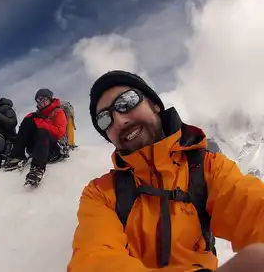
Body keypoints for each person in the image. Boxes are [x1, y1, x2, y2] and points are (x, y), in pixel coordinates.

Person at [67, 70, 264, 272]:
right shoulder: (101, 193)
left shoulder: (209, 168)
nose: (118, 121)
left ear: (155, 105)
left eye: (126, 102)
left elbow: (254, 208)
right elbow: (94, 260)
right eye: (104, 120)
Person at [3, 88, 67, 184]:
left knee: (42, 131)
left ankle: (37, 168)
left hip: (55, 150)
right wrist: (30, 121)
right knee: (28, 122)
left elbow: (59, 133)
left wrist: (41, 123)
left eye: (44, 99)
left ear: (50, 99)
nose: (41, 102)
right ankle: (16, 155)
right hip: (39, 149)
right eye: (38, 100)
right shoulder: (37, 115)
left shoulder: (58, 112)